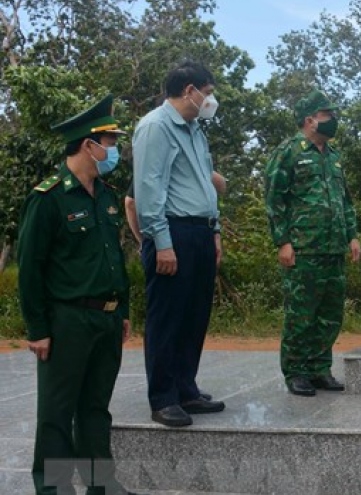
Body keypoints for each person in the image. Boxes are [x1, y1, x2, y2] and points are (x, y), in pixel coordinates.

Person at [18, 95, 141, 494]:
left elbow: (113, 260)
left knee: (95, 409)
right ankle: (52, 489)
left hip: (105, 320)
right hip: (66, 320)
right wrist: (38, 328)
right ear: (88, 145)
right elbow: (31, 268)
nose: (113, 150)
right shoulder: (49, 197)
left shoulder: (104, 195)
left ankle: (100, 485)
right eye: (109, 141)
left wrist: (121, 309)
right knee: (56, 413)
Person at [133, 61, 225, 427]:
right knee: (167, 318)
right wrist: (161, 242)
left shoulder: (194, 130)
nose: (210, 100)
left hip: (199, 231)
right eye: (209, 92)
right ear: (190, 90)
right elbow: (148, 190)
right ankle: (163, 397)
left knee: (193, 316)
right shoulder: (155, 127)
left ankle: (186, 388)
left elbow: (204, 182)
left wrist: (214, 231)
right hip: (172, 232)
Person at [264, 89, 361, 396]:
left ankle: (320, 368)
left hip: (333, 247)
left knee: (330, 313)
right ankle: (296, 371)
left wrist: (352, 235)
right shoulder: (289, 152)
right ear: (310, 120)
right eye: (327, 115)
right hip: (303, 248)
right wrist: (283, 241)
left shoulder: (334, 157)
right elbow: (274, 199)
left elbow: (344, 200)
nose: (333, 120)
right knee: (302, 313)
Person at [125, 171, 227, 248]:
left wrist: (143, 242)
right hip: (194, 231)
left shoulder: (156, 164)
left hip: (171, 233)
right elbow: (221, 185)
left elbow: (130, 203)